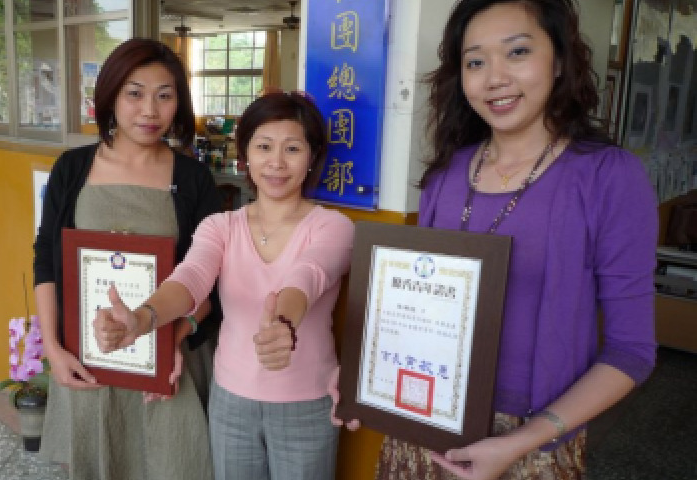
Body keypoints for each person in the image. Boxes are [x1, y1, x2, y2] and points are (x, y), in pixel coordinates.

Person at [376, 1, 658, 479]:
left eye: (518, 52)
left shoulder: (608, 177)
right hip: (422, 421)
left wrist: (524, 440)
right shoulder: (445, 176)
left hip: (531, 441)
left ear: (560, 61)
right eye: (475, 62)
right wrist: (364, 376)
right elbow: (418, 311)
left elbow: (631, 351)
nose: (494, 78)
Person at [94, 91, 355, 480]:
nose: (277, 162)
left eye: (292, 148)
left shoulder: (333, 227)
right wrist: (144, 318)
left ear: (313, 155)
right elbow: (191, 277)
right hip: (231, 403)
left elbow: (308, 276)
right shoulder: (220, 226)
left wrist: (282, 323)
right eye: (264, 146)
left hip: (306, 404)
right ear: (245, 153)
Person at [32, 38, 222, 480]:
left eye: (164, 95)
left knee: (173, 463)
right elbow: (46, 259)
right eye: (135, 93)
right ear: (111, 96)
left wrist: (174, 341)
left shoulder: (192, 178)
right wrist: (54, 350)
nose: (149, 110)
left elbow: (210, 280)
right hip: (89, 355)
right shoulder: (72, 168)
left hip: (168, 359)